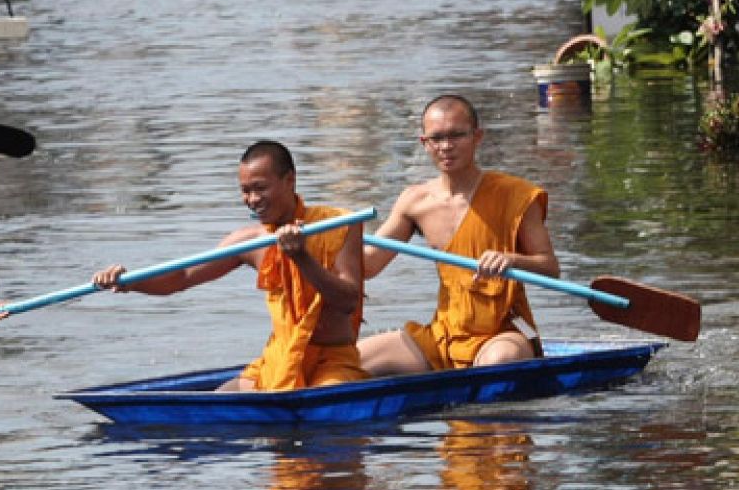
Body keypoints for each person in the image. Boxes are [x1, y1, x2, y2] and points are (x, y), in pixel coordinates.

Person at [91, 140, 366, 392]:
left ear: (289, 181)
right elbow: (183, 276)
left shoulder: (342, 224)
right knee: (220, 397)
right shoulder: (251, 242)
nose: (253, 200)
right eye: (245, 191)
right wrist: (130, 282)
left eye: (260, 188)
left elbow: (347, 300)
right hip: (280, 359)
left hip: (332, 363)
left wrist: (302, 257)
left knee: (323, 412)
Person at [356, 95, 559, 377]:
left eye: (456, 136)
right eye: (436, 138)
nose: (446, 147)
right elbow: (368, 265)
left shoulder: (516, 195)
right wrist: (312, 247)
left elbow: (550, 268)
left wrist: (511, 260)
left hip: (502, 332)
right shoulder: (415, 201)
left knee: (498, 362)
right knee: (350, 363)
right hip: (442, 336)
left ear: (477, 137)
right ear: (424, 143)